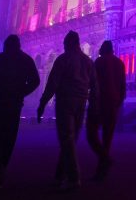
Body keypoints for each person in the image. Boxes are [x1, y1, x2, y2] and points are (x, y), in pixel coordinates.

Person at [0, 34, 41, 191]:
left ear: (6, 46)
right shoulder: (25, 60)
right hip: (13, 105)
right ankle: (1, 169)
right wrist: (21, 92)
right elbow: (35, 81)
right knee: (8, 139)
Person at [37, 30, 97, 192]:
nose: (63, 46)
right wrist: (93, 105)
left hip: (65, 102)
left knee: (67, 139)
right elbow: (95, 86)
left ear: (69, 43)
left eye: (65, 44)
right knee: (70, 140)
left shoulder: (63, 59)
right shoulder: (88, 62)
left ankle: (73, 177)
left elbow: (52, 84)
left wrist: (42, 104)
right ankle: (59, 176)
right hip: (81, 103)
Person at [85, 40, 126, 180]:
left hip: (99, 103)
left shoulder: (99, 62)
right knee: (107, 138)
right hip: (113, 104)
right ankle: (102, 169)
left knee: (91, 134)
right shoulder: (120, 63)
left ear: (102, 49)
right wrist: (118, 102)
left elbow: (91, 82)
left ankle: (104, 159)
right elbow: (123, 86)